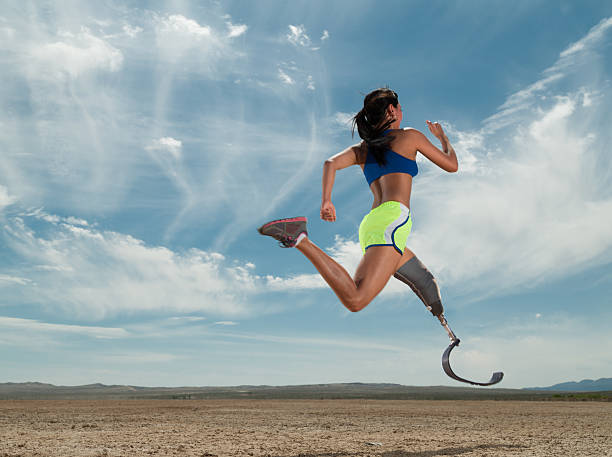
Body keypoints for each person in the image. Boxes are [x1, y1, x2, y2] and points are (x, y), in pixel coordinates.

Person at [258, 88, 457, 317]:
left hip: (373, 224)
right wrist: (442, 138)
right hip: (393, 220)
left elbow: (329, 163)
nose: (402, 112)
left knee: (424, 280)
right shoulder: (409, 136)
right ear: (392, 110)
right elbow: (452, 165)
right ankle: (300, 239)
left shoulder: (363, 149)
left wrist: (327, 201)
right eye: (400, 108)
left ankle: (443, 322)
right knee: (356, 300)